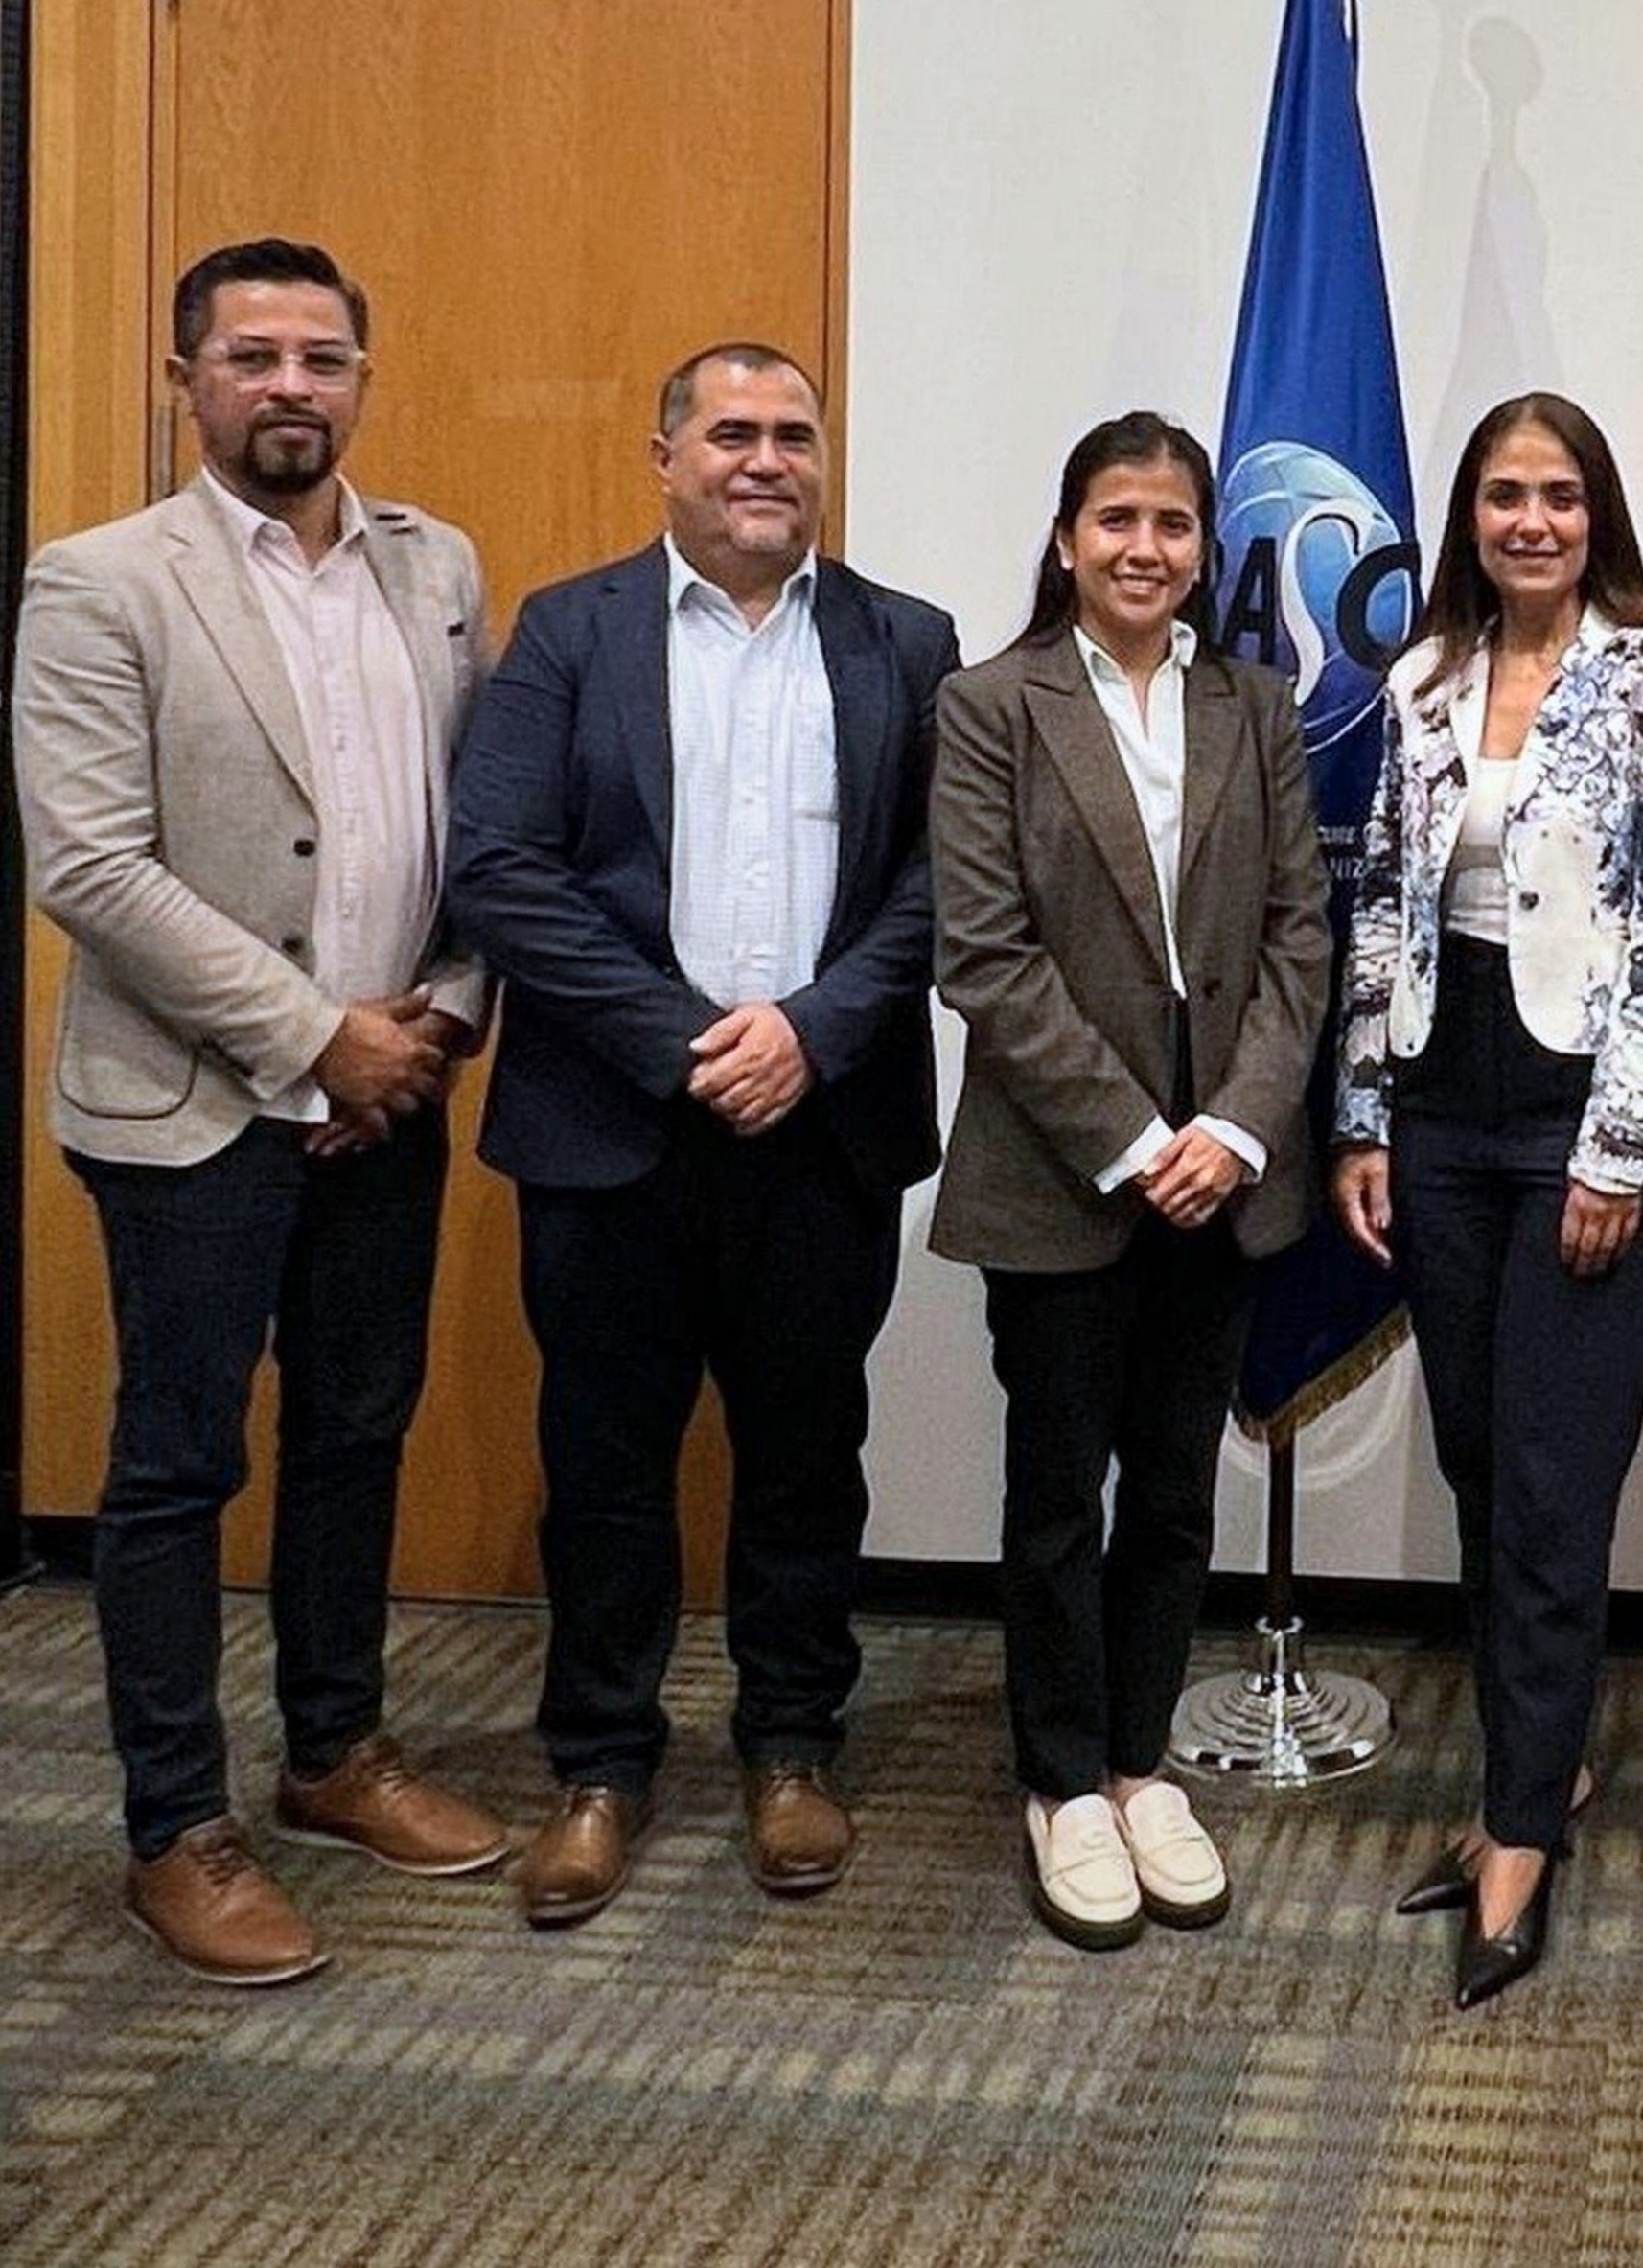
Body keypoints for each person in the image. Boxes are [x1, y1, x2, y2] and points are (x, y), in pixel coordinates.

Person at [13, 237, 510, 1983]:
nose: (289, 385)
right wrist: (312, 1040)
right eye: (251, 357)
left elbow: (478, 828)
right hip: (192, 1107)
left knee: (358, 1431)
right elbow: (88, 864)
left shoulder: (436, 566)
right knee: (176, 1466)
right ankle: (177, 1828)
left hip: (394, 1090)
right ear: (186, 382)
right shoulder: (98, 584)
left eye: (322, 358)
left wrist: (431, 1025)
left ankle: (333, 1754)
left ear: (362, 377)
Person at [446, 342, 960, 1929]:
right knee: (604, 1462)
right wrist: (689, 1043)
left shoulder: (905, 641)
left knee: (807, 1456)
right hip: (614, 1130)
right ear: (661, 454)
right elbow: (500, 867)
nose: (764, 460)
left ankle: (792, 1742)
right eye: (730, 432)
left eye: (792, 435)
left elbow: (947, 880)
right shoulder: (569, 634)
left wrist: (808, 1030)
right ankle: (601, 1763)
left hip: (822, 1125)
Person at [1331, 392, 1643, 2009]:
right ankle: (1539, 1765)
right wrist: (1360, 1114)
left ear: (1596, 512)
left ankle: (1512, 1837)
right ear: (1469, 520)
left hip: (1587, 1108)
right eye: (1504, 496)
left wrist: (1618, 1148)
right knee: (1484, 1464)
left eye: (1560, 495)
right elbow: (1373, 904)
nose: (1532, 522)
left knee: (1559, 1479)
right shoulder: (1419, 679)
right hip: (1438, 1102)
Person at [927, 411, 1329, 1953]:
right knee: (1054, 1494)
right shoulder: (989, 707)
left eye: (1171, 525)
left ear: (1202, 548)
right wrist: (1130, 1136)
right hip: (1063, 1176)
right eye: (1115, 522)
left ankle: (1143, 1760)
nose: (1143, 550)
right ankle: (1060, 1781)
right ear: (1065, 537)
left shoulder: (1257, 707)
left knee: (1172, 1492)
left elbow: (1304, 931)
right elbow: (984, 954)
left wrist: (1230, 1129)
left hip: (1224, 1176)